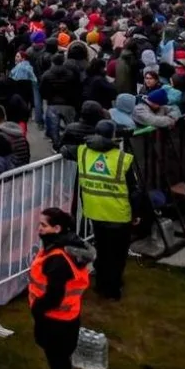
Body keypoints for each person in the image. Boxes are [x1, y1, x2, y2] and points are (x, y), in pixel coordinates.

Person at [28, 207, 92, 369]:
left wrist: (37, 308)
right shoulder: (66, 249)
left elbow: (54, 296)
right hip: (67, 319)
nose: (39, 229)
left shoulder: (58, 259)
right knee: (61, 363)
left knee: (59, 366)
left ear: (57, 229)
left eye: (43, 225)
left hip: (55, 321)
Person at [75, 120, 136, 299]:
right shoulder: (122, 159)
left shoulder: (83, 151)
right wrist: (137, 213)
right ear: (113, 136)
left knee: (102, 249)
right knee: (117, 254)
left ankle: (101, 284)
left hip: (95, 211)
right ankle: (112, 289)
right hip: (118, 214)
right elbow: (134, 190)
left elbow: (63, 148)